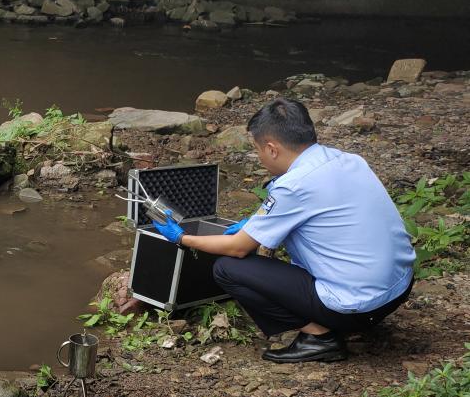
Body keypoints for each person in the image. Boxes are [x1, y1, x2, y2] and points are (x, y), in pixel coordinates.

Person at [151, 98, 415, 363]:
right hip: (398, 288)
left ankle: (320, 338)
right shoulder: (349, 160)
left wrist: (182, 238)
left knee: (228, 269)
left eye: (258, 151)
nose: (260, 157)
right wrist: (254, 222)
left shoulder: (293, 186)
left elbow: (238, 248)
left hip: (357, 308)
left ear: (272, 149)